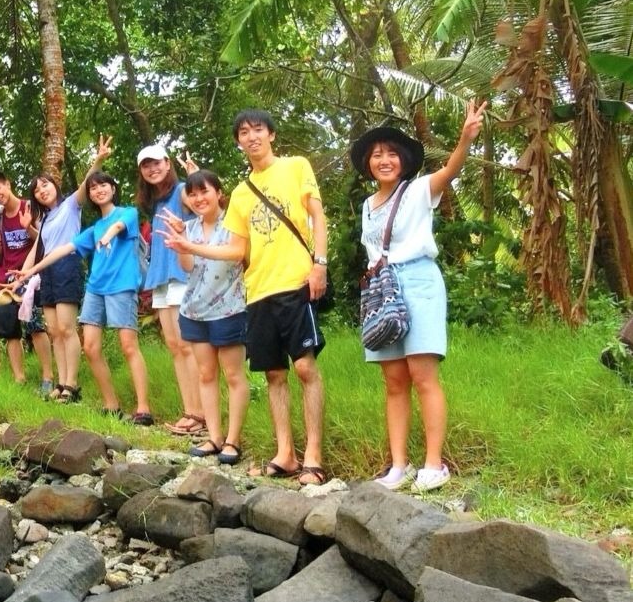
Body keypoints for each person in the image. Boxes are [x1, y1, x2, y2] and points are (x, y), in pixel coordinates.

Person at [169, 110, 330, 485]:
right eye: (244, 132)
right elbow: (237, 250)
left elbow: (317, 216)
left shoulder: (295, 166)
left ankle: (315, 458)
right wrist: (188, 244)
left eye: (258, 129)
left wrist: (319, 263)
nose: (252, 136)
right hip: (257, 292)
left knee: (305, 368)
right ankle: (286, 454)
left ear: (271, 134)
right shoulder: (241, 193)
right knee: (274, 373)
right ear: (238, 141)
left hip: (295, 283)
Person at [355, 101, 487, 492]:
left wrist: (465, 139)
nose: (384, 160)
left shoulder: (416, 190)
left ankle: (434, 463)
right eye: (377, 154)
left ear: (404, 160)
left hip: (419, 283)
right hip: (383, 291)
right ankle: (398, 466)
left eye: (391, 153)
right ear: (367, 163)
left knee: (423, 375)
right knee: (394, 380)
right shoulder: (366, 206)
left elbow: (449, 172)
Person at [18, 170, 154, 423]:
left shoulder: (128, 213)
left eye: (104, 185)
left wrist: (108, 236)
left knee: (128, 345)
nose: (99, 190)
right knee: (90, 348)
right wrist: (30, 271)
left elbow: (118, 226)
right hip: (95, 288)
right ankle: (110, 404)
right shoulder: (92, 229)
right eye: (94, 188)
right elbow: (63, 249)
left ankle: (143, 408)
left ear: (113, 189)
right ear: (89, 195)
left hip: (121, 286)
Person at [159, 170, 249, 464]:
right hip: (194, 310)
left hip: (229, 309)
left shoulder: (234, 226)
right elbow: (187, 266)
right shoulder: (189, 227)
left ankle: (233, 441)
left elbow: (235, 255)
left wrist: (189, 244)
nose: (199, 199)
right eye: (193, 194)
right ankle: (214, 437)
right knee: (206, 375)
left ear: (219, 193)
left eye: (204, 192)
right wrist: (183, 240)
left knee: (234, 375)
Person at [22, 135, 113, 402]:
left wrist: (97, 160)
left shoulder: (70, 205)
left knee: (66, 327)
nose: (42, 190)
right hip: (47, 270)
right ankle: (61, 383)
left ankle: (72, 385)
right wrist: (21, 277)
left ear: (54, 186)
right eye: (37, 190)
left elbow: (86, 185)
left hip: (67, 265)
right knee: (53, 330)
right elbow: (37, 247)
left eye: (45, 185)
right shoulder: (45, 219)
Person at [135, 144, 204, 435]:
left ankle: (200, 415)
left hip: (182, 275)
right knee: (175, 347)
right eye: (146, 165)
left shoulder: (181, 191)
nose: (153, 169)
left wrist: (195, 176)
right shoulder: (157, 202)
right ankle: (189, 412)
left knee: (187, 347)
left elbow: (207, 207)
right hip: (161, 278)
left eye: (157, 163)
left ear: (167, 163)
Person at [0, 171, 53, 391]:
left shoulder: (30, 206)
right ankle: (19, 379)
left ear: (8, 184)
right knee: (8, 330)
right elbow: (0, 250)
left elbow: (44, 239)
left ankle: (47, 377)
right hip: (6, 281)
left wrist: (27, 226)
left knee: (35, 327)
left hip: (31, 277)